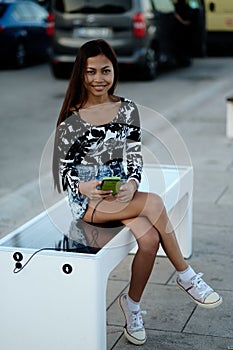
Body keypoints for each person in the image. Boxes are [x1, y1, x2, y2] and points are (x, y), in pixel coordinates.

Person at [52, 39, 222, 346]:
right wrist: (83, 186)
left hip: (122, 198)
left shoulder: (127, 109)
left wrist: (131, 183)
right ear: (81, 74)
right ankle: (186, 276)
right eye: (91, 71)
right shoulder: (72, 119)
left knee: (150, 239)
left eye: (105, 70)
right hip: (89, 204)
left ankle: (131, 305)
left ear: (114, 71)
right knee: (155, 202)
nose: (98, 78)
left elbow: (134, 158)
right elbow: (65, 172)